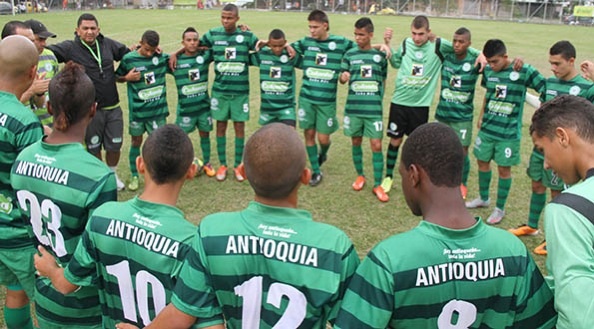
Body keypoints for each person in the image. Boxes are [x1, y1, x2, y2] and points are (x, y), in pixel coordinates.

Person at [334, 122, 557, 328]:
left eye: (402, 175)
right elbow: (541, 323)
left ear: (413, 175)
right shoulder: (513, 252)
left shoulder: (388, 260)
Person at [138, 123, 360, 328]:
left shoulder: (212, 234)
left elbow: (185, 311)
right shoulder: (334, 248)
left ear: (242, 171)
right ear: (305, 176)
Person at [33, 124, 225, 329]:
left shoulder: (102, 219)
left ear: (140, 164)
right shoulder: (193, 243)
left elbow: (66, 284)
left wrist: (51, 270)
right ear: (191, 171)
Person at [10, 62, 118, 329]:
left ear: (49, 107)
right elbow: (100, 250)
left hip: (45, 295)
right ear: (93, 110)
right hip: (86, 304)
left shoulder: (23, 159)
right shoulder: (97, 176)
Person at [509, 41, 594, 255]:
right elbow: (530, 78)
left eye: (557, 63)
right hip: (543, 149)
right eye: (551, 64)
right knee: (537, 184)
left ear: (571, 61)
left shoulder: (585, 87)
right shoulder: (549, 83)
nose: (553, 68)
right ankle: (531, 224)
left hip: (564, 153)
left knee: (558, 191)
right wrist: (518, 62)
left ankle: (553, 236)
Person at [380, 16, 481, 194]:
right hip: (399, 102)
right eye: (414, 33)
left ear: (429, 32)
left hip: (420, 106)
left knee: (417, 145)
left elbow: (461, 46)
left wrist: (480, 53)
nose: (417, 38)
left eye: (421, 34)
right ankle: (388, 176)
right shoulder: (406, 43)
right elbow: (396, 62)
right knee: (395, 140)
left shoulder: (438, 45)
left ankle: (416, 178)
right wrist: (387, 43)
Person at [530, 94, 594, 329]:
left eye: (542, 149)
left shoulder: (570, 208)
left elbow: (580, 317)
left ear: (562, 136)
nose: (546, 163)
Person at [465, 39, 545, 225]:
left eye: (495, 62)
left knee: (503, 169)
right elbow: (489, 93)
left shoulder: (522, 70)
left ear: (505, 57)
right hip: (487, 129)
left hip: (507, 134)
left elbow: (546, 89)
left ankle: (499, 208)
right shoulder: (488, 72)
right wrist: (482, 115)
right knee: (482, 161)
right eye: (489, 62)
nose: (491, 66)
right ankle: (484, 199)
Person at [47, 13, 130, 191]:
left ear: (98, 30)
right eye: (85, 28)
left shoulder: (107, 44)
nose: (89, 32)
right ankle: (99, 177)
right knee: (93, 146)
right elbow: (47, 52)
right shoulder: (70, 48)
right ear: (77, 30)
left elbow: (128, 53)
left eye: (93, 28)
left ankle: (112, 174)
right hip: (88, 110)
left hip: (113, 107)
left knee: (115, 145)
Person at [0, 35, 42, 329]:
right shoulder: (24, 121)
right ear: (32, 73)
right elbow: (35, 185)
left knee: (14, 292)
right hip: (17, 232)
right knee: (44, 300)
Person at [292, 10, 357, 186]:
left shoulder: (340, 42)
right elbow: (285, 47)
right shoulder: (306, 42)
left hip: (326, 101)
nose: (311, 31)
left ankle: (323, 153)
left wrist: (381, 46)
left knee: (323, 139)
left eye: (315, 27)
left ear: (325, 25)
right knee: (309, 134)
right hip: (307, 98)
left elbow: (360, 49)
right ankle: (316, 170)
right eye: (310, 27)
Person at [200, 4, 258, 182]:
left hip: (240, 93)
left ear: (237, 19)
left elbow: (260, 46)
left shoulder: (246, 35)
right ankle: (223, 165)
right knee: (221, 126)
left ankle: (238, 166)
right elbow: (196, 46)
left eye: (230, 18)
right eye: (223, 17)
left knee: (239, 127)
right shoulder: (213, 34)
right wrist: (176, 52)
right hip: (220, 92)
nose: (226, 21)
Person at [339, 17, 388, 202]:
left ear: (370, 35)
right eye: (356, 34)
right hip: (354, 108)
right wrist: (343, 77)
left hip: (373, 110)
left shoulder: (380, 56)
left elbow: (383, 78)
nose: (358, 38)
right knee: (356, 141)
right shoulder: (350, 54)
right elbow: (342, 78)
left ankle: (377, 185)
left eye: (361, 35)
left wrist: (379, 98)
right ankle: (360, 175)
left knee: (376, 145)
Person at [115, 30, 170, 191]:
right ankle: (134, 175)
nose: (149, 53)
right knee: (136, 142)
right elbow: (116, 76)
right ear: (140, 42)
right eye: (146, 49)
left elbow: (175, 60)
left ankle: (158, 176)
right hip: (137, 113)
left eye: (152, 50)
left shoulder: (160, 57)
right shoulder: (129, 59)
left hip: (157, 113)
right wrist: (126, 78)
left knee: (158, 145)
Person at [434, 27, 481, 199]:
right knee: (441, 150)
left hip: (463, 117)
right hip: (443, 114)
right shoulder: (446, 56)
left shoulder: (475, 61)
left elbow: (491, 60)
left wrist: (479, 53)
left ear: (469, 44)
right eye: (454, 40)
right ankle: (442, 181)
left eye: (461, 42)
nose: (456, 44)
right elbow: (435, 38)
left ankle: (462, 183)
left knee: (461, 151)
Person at [170, 27, 215, 177]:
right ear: (183, 42)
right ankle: (183, 164)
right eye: (188, 40)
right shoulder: (174, 61)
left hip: (203, 107)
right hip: (185, 110)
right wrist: (175, 53)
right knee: (181, 137)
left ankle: (207, 162)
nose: (192, 43)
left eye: (195, 40)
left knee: (205, 134)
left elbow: (218, 47)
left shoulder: (205, 56)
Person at [251, 28, 300, 127]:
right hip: (267, 109)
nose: (277, 49)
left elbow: (309, 62)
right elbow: (241, 56)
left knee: (289, 137)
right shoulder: (262, 55)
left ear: (285, 43)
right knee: (268, 140)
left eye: (281, 45)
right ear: (269, 44)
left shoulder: (291, 55)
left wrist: (288, 46)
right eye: (274, 46)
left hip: (286, 108)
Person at [24, 19, 59, 129]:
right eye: (40, 39)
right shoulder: (15, 61)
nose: (44, 44)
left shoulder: (50, 56)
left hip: (50, 123)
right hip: (27, 127)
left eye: (45, 40)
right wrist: (33, 90)